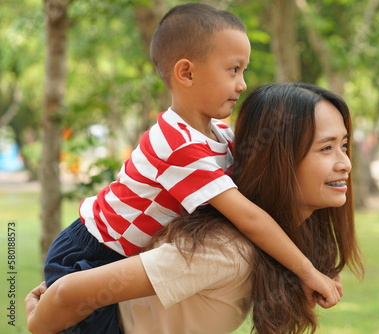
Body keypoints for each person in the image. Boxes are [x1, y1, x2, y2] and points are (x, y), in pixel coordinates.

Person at [42, 4, 340, 333]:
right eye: (233, 70)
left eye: (244, 71)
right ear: (186, 73)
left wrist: (317, 260)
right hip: (92, 252)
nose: (242, 84)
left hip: (123, 256)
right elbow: (251, 217)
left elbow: (266, 188)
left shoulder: (222, 136)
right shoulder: (178, 145)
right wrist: (307, 271)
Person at [25, 82, 365, 334]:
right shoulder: (224, 251)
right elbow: (68, 293)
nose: (345, 164)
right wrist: (36, 321)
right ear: (278, 160)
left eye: (344, 145)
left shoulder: (267, 241)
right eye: (326, 148)